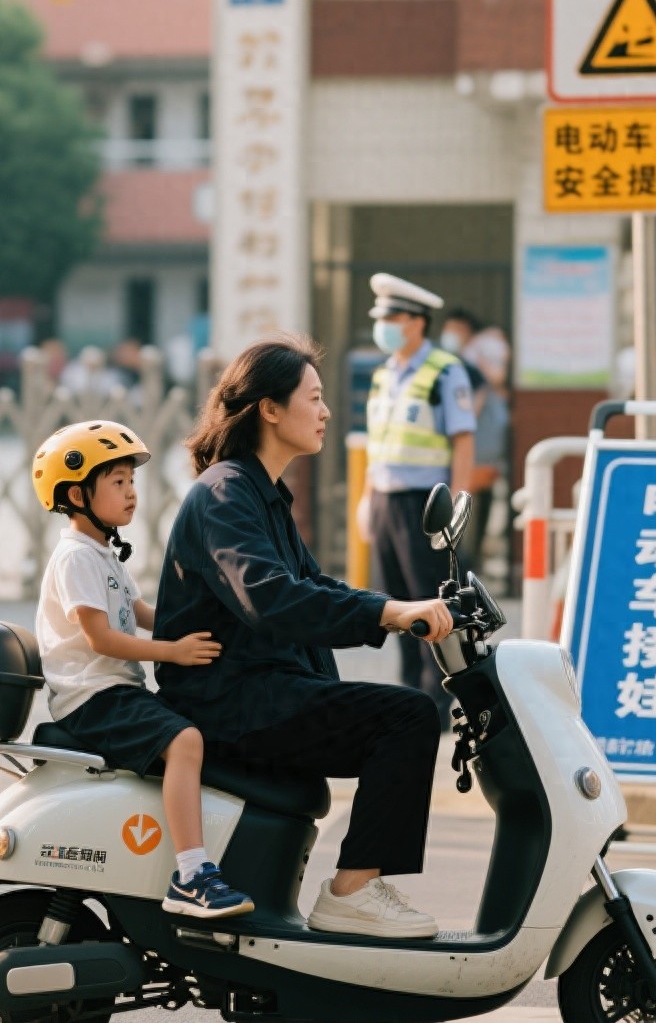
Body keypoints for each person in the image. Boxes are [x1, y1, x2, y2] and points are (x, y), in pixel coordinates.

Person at [153, 335, 455, 940]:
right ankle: (352, 891)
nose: (325, 413)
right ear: (269, 408)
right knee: (409, 717)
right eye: (313, 398)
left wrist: (394, 609)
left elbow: (316, 584)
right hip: (232, 699)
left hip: (261, 690)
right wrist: (390, 612)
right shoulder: (225, 492)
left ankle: (354, 888)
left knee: (399, 719)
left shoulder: (260, 494)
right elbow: (271, 598)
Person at [32, 420, 254, 920]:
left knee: (206, 727)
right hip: (92, 699)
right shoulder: (74, 558)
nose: (132, 494)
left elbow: (143, 613)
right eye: (117, 483)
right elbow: (101, 638)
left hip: (115, 692)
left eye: (132, 482)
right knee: (186, 741)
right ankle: (193, 874)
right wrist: (173, 652)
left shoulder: (102, 553)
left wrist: (218, 610)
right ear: (75, 494)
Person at [355, 274, 476, 730]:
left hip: (426, 504)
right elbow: (375, 441)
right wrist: (367, 499)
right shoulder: (385, 373)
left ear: (416, 322)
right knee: (396, 604)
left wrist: (458, 506)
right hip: (386, 499)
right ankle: (410, 696)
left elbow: (463, 440)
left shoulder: (445, 370)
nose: (384, 326)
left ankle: (439, 699)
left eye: (392, 318)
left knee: (434, 600)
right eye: (381, 318)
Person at [440, 308, 510, 566]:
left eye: (456, 329)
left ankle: (470, 560)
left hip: (481, 453)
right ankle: (467, 559)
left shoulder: (473, 362)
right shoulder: (455, 362)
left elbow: (487, 386)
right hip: (473, 456)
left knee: (472, 503)